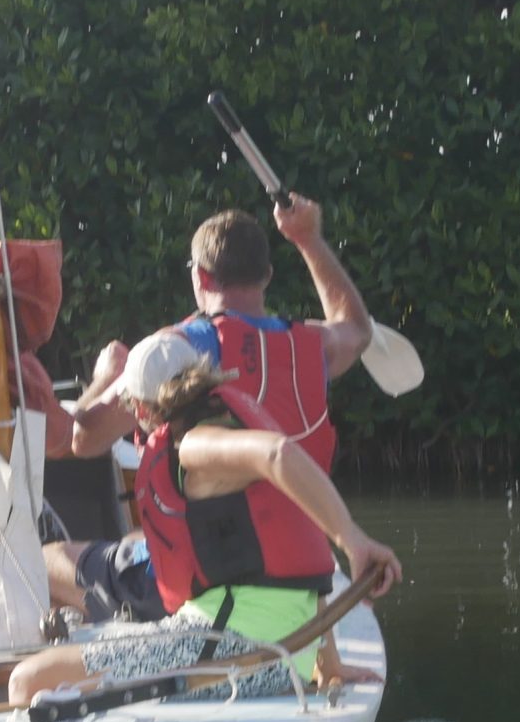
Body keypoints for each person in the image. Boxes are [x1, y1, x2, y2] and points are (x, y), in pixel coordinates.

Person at [43, 196, 375, 624]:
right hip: (298, 577)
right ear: (267, 276)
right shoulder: (315, 347)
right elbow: (358, 330)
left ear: (200, 276)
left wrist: (107, 378)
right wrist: (309, 240)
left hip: (212, 586)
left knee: (49, 559)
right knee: (133, 538)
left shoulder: (174, 351)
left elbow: (84, 440)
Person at [7, 354, 400, 707]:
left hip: (228, 652)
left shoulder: (194, 445)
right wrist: (328, 664)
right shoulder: (235, 424)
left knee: (26, 682)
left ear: (142, 407)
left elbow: (277, 454)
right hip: (275, 657)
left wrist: (354, 541)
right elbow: (297, 558)